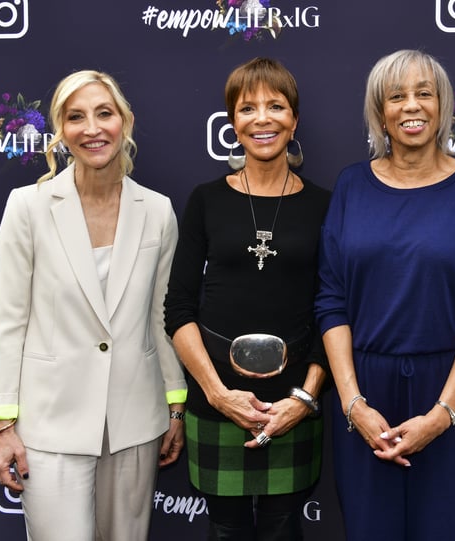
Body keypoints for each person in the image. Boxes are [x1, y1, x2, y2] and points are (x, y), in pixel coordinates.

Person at [0, 70, 187, 541]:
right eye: (76, 117)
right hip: (50, 425)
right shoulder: (27, 207)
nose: (92, 128)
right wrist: (2, 425)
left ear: (126, 122)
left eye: (104, 114)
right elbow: (8, 321)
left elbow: (162, 318)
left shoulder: (158, 211)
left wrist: (174, 407)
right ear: (60, 131)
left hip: (135, 424)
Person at [314, 49, 455, 541]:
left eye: (425, 93)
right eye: (396, 96)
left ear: (443, 106)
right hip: (364, 390)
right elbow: (331, 298)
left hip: (449, 390)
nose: (411, 106)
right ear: (380, 112)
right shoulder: (352, 186)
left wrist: (442, 415)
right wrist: (353, 403)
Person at [164, 57, 330, 541]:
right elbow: (178, 308)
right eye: (247, 108)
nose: (262, 119)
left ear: (294, 120)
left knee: (283, 531)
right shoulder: (206, 200)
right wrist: (217, 393)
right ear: (231, 123)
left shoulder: (324, 204)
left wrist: (304, 399)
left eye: (276, 106)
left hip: (294, 404)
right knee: (226, 531)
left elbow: (333, 310)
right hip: (216, 401)